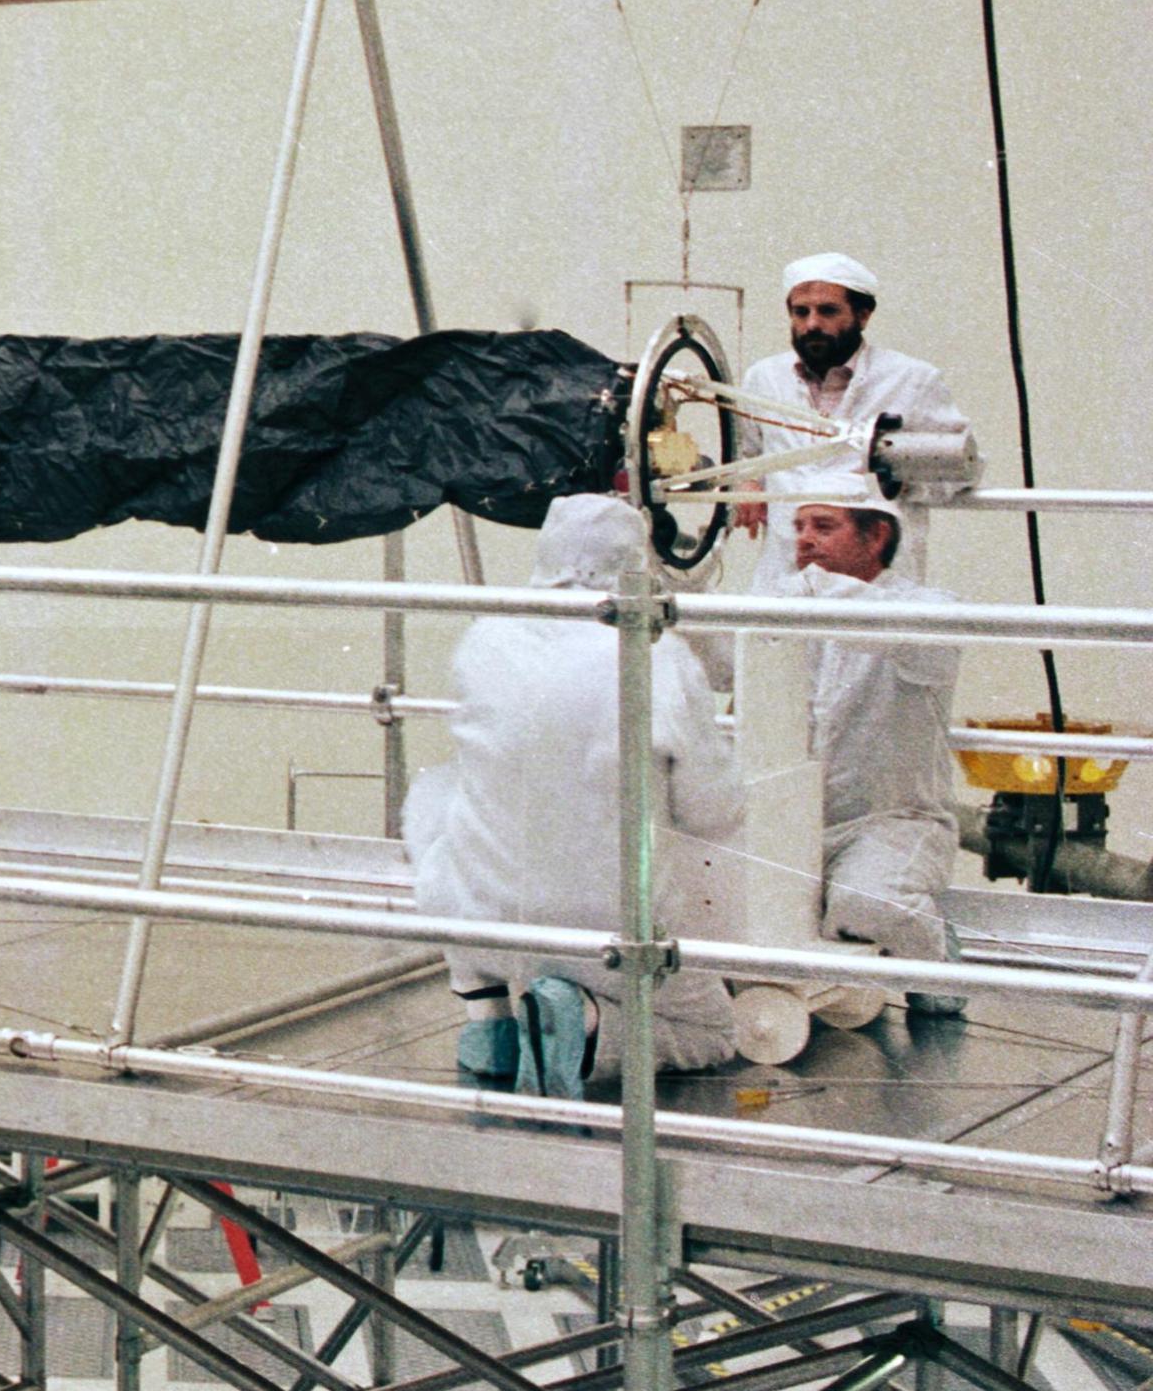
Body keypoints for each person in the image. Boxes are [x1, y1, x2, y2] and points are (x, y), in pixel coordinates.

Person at [406, 493, 745, 1095]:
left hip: (481, 923)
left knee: (433, 796)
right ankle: (586, 1027)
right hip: (607, 936)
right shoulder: (656, 654)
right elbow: (711, 810)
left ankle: (490, 1021)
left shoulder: (485, 639)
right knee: (713, 1031)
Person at [784, 478, 969, 1016]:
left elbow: (886, 629)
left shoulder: (929, 607)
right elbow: (718, 654)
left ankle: (941, 975)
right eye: (797, 527)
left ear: (876, 535)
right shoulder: (792, 602)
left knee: (867, 903)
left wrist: (815, 591)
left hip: (894, 822)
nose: (804, 541)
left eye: (823, 526)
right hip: (793, 823)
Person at [736, 252, 963, 591]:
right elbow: (745, 455)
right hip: (785, 569)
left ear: (863, 314)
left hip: (877, 576)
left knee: (870, 640)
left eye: (828, 311)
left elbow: (960, 470)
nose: (812, 323)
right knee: (781, 640)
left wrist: (888, 484)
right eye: (801, 312)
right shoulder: (763, 379)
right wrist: (748, 482)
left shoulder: (912, 380)